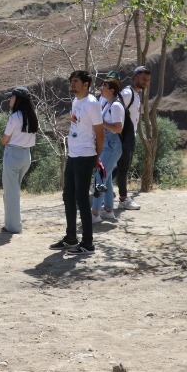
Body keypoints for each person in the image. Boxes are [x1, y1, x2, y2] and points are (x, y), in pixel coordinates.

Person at [49, 70, 104, 255]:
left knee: (81, 198)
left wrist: (97, 157)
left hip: (86, 155)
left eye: (76, 81)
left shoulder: (92, 104)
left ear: (86, 84)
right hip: (73, 155)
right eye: (71, 81)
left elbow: (100, 133)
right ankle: (71, 238)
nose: (72, 84)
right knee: (68, 196)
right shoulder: (76, 101)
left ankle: (88, 243)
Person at [0, 86, 38, 234]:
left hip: (13, 154)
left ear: (18, 99)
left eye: (12, 97)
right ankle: (9, 224)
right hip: (26, 155)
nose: (10, 99)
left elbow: (4, 140)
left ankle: (14, 226)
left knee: (11, 193)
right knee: (13, 191)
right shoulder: (32, 116)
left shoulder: (14, 117)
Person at [117, 66, 151, 210]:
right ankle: (123, 199)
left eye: (147, 80)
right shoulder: (127, 93)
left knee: (120, 167)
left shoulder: (136, 95)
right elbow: (114, 107)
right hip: (122, 136)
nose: (145, 82)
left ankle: (98, 186)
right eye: (143, 78)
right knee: (123, 168)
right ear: (134, 78)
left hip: (129, 136)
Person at [91, 78, 124, 223]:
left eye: (104, 86)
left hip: (112, 146)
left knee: (100, 176)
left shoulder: (116, 106)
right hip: (107, 145)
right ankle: (108, 210)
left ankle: (94, 213)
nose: (101, 88)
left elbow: (118, 128)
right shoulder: (106, 103)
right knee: (107, 177)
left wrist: (101, 123)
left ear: (112, 90)